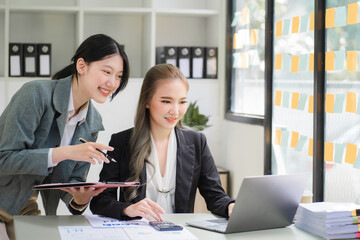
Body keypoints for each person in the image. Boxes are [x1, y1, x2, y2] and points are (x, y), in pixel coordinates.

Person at [0, 33, 129, 239]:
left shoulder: (92, 121)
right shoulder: (35, 94)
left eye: (119, 76)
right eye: (107, 71)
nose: (112, 83)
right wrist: (66, 152)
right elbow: (4, 159)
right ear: (81, 66)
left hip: (23, 205)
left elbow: (70, 182)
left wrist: (81, 197)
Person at [90, 64, 234, 221]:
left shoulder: (197, 142)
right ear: (147, 101)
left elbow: (216, 196)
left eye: (182, 101)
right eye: (166, 101)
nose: (175, 111)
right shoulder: (122, 142)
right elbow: (100, 201)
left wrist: (230, 206)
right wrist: (128, 209)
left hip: (180, 234)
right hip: (137, 234)